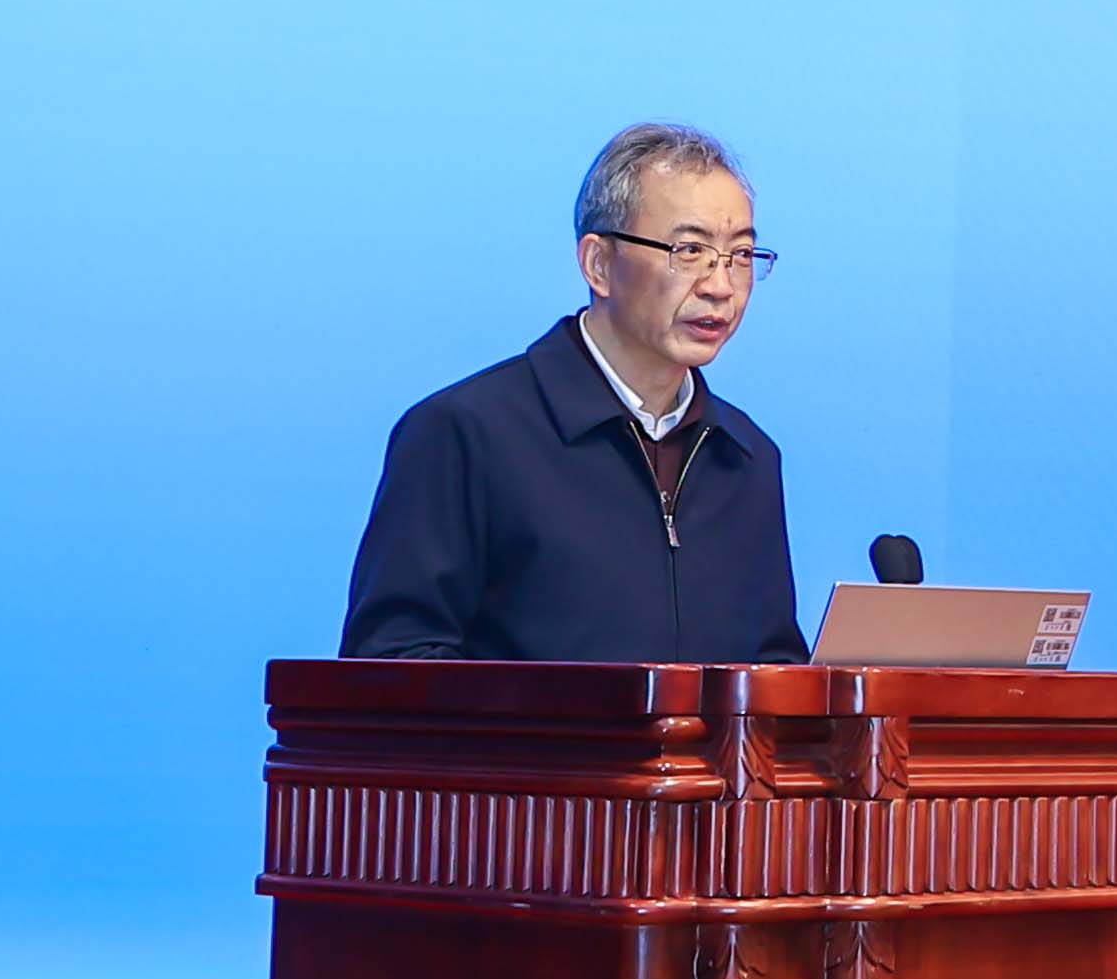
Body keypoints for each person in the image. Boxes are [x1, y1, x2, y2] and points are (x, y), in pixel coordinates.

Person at [339, 123, 810, 662]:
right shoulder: (466, 434)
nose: (720, 286)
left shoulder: (747, 457)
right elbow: (391, 663)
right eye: (689, 250)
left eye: (741, 255)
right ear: (599, 264)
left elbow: (773, 672)